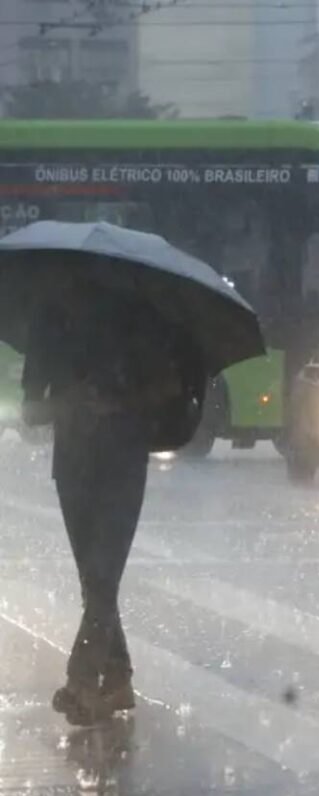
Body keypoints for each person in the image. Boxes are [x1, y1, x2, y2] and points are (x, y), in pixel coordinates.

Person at [21, 274, 187, 727]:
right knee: (94, 580)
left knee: (101, 575)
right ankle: (117, 678)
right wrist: (70, 403)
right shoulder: (50, 320)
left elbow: (168, 387)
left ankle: (81, 679)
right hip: (74, 466)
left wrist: (117, 401)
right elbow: (31, 409)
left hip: (122, 464)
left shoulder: (137, 317)